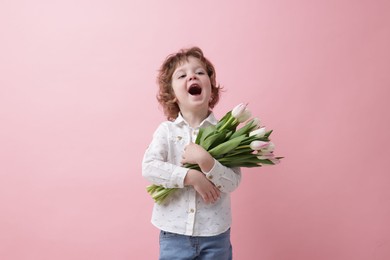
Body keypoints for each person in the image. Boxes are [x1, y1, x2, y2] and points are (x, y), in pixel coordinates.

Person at [142, 46, 241, 260]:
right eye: (182, 75)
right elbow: (149, 167)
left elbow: (232, 182)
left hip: (215, 235)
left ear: (211, 89)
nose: (192, 76)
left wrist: (207, 162)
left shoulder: (225, 133)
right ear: (172, 95)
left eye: (200, 72)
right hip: (173, 234)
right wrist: (190, 176)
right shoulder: (166, 131)